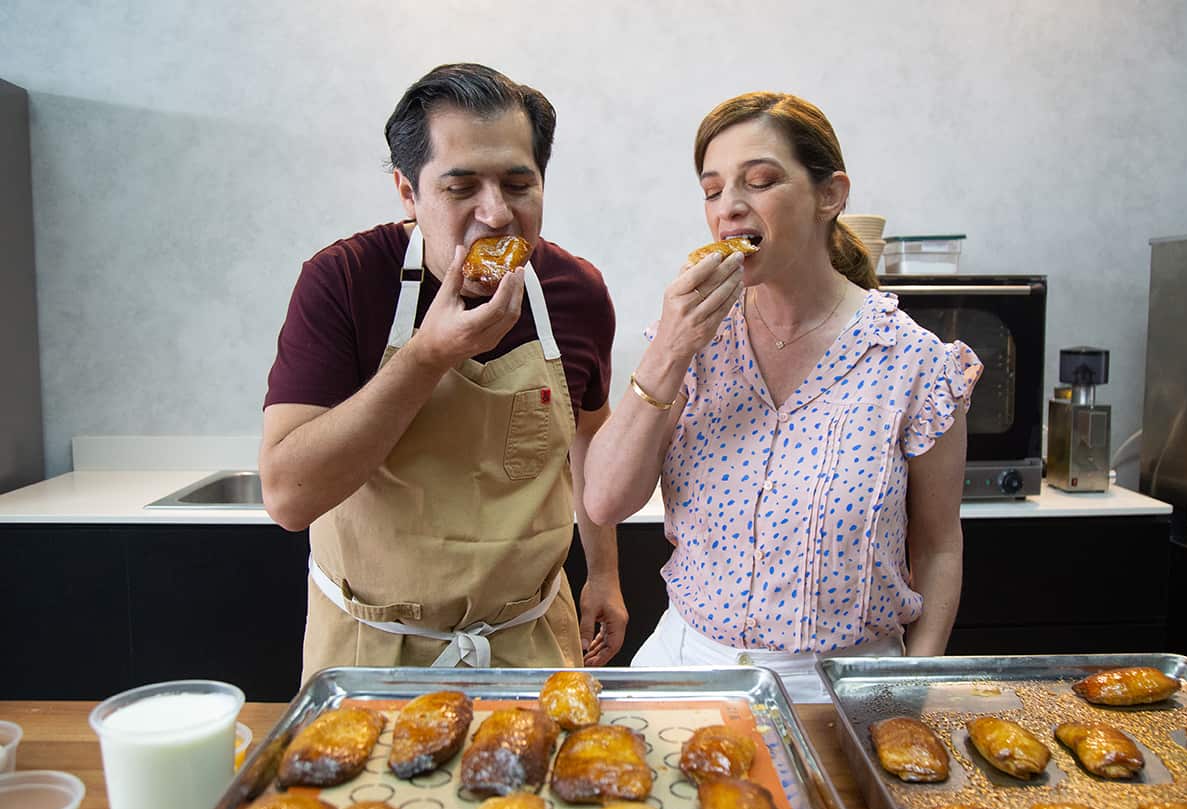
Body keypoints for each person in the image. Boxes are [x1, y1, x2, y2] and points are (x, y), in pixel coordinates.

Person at [583, 92, 982, 701]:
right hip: (689, 673)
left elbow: (938, 548)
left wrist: (913, 687)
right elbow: (605, 500)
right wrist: (668, 350)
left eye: (761, 181)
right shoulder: (690, 342)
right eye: (713, 191)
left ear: (831, 194)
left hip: (850, 687)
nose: (730, 208)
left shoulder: (913, 361)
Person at [260, 63, 627, 681]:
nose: (498, 214)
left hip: (529, 641)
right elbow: (289, 497)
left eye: (519, 184)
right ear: (408, 191)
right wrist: (427, 357)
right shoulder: (345, 282)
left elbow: (589, 441)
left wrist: (607, 575)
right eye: (461, 189)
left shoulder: (576, 293)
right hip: (371, 651)